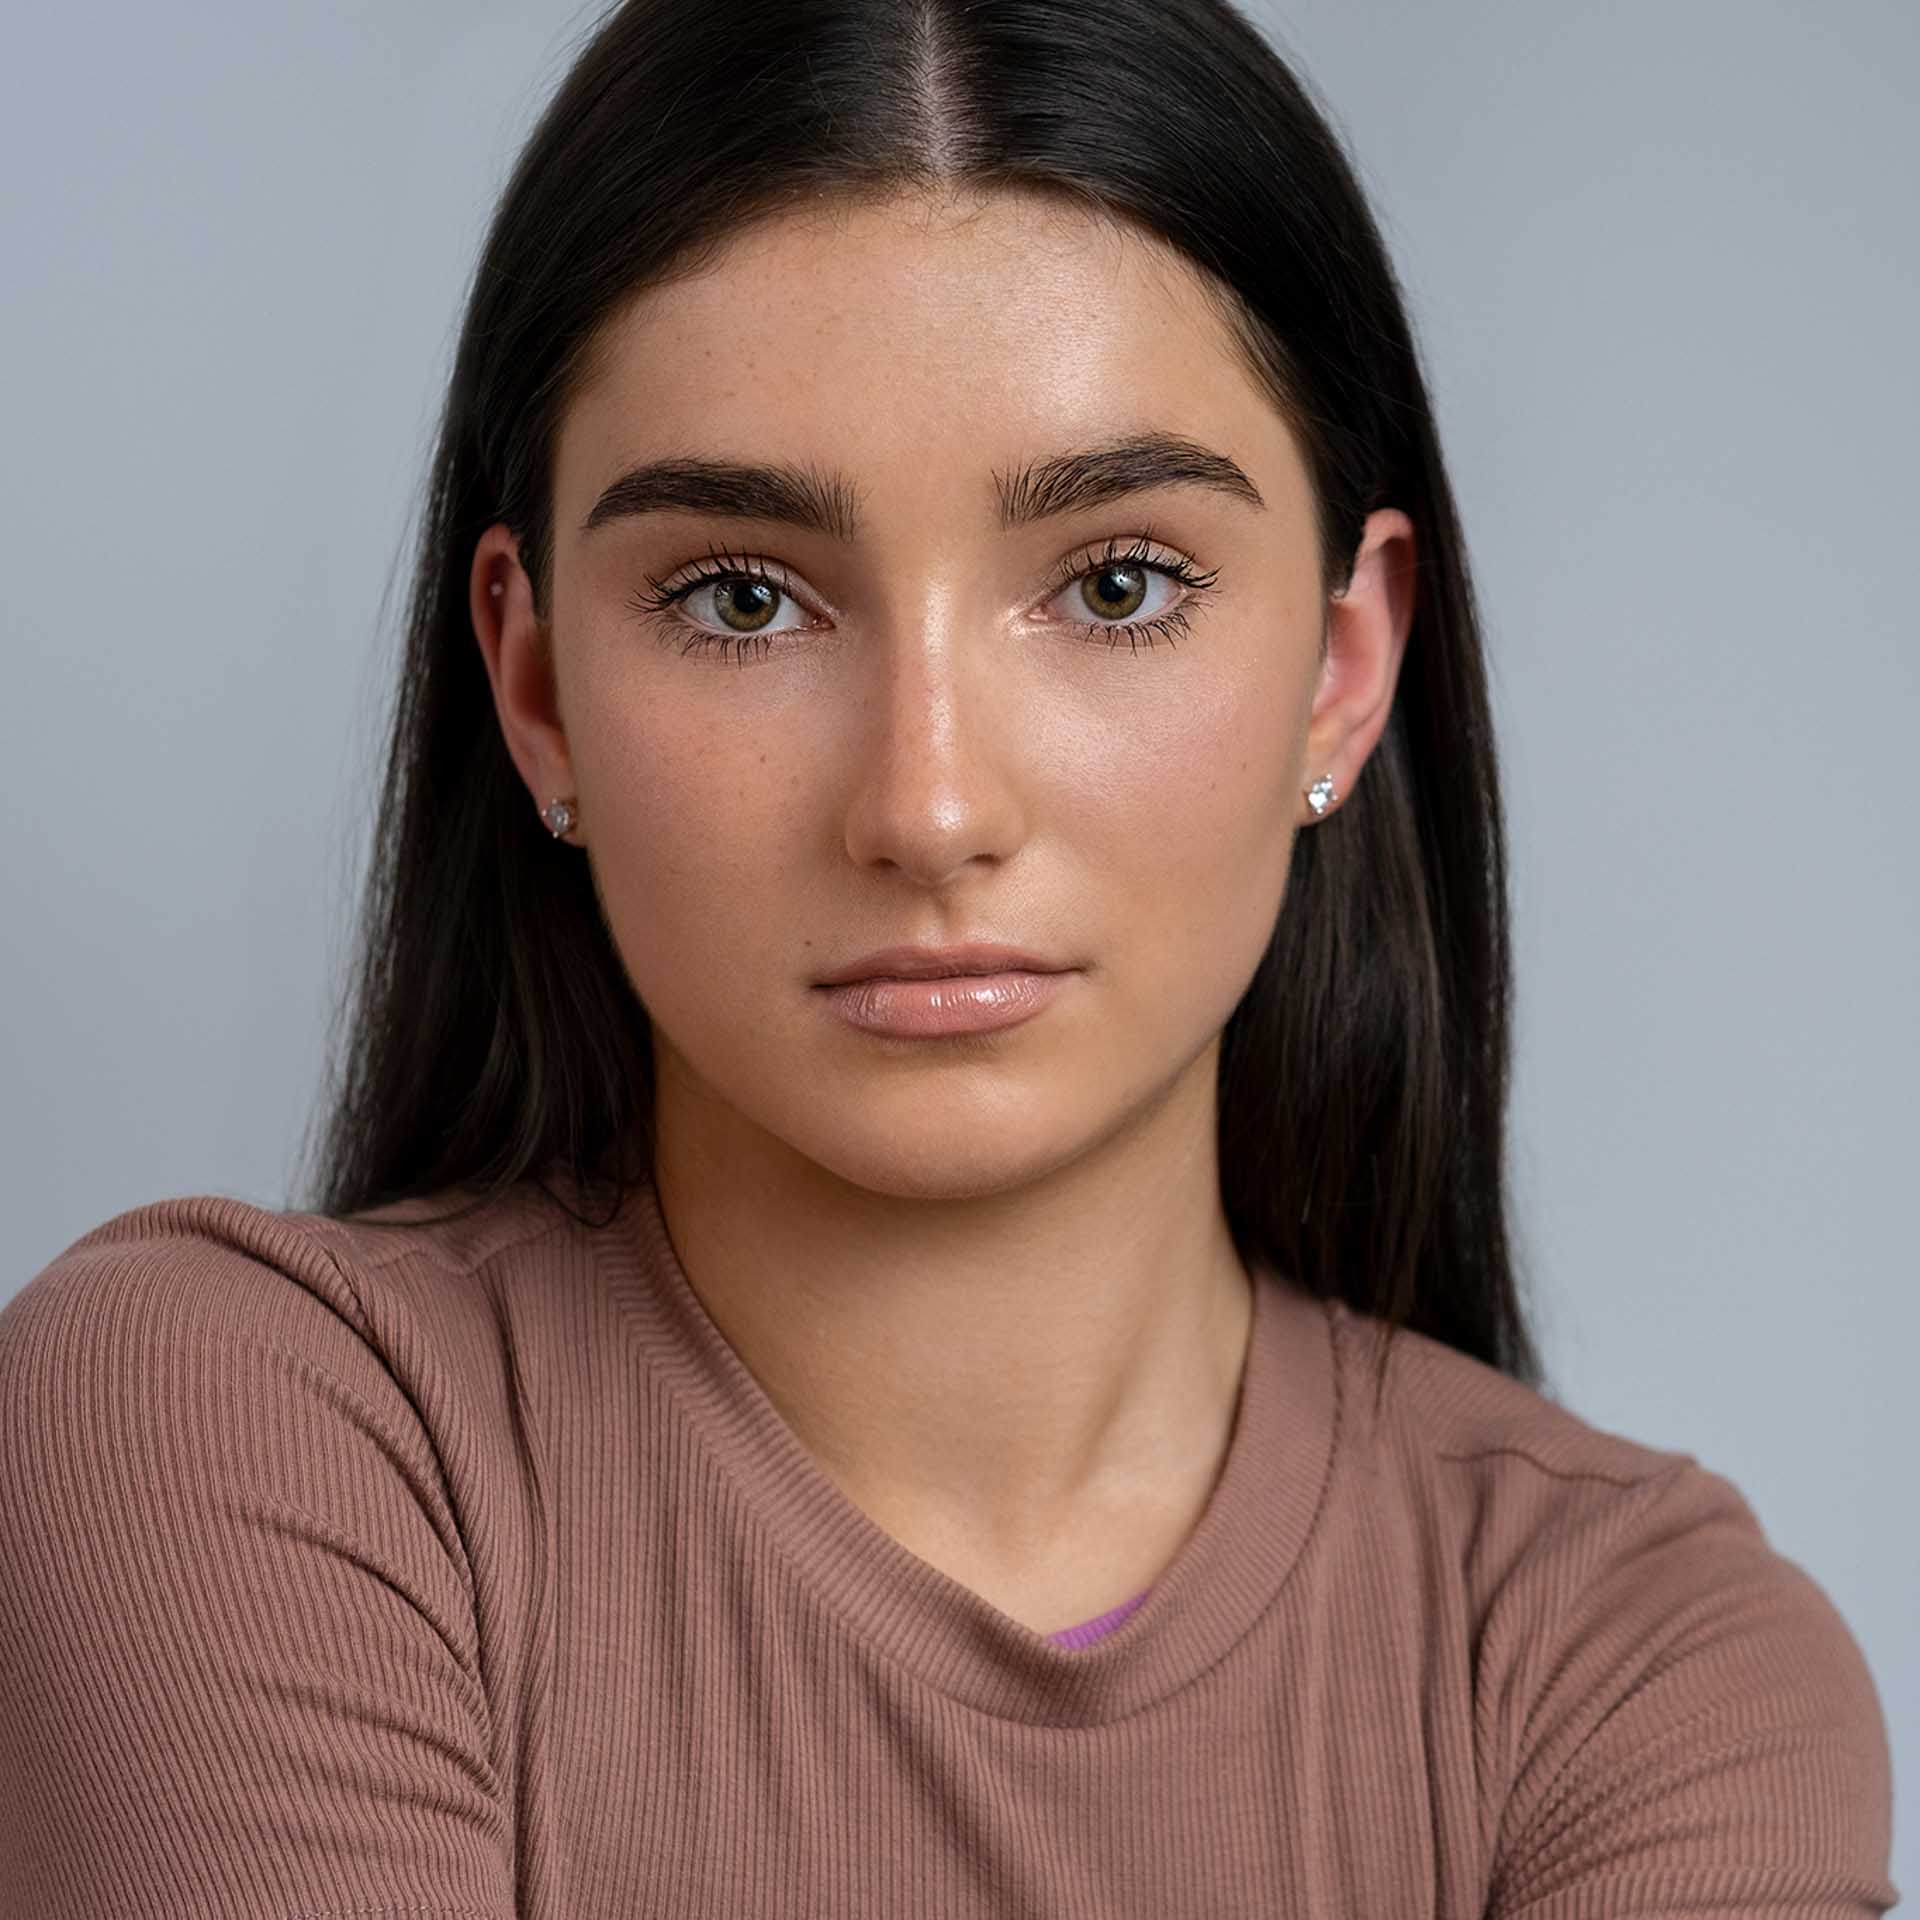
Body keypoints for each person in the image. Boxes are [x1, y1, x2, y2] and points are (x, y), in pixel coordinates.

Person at [0, 0, 1898, 1913]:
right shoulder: (228, 1444)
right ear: (538, 682)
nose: (926, 805)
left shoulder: (1645, 1662)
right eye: (743, 599)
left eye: (1118, 586)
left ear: (1344, 671)